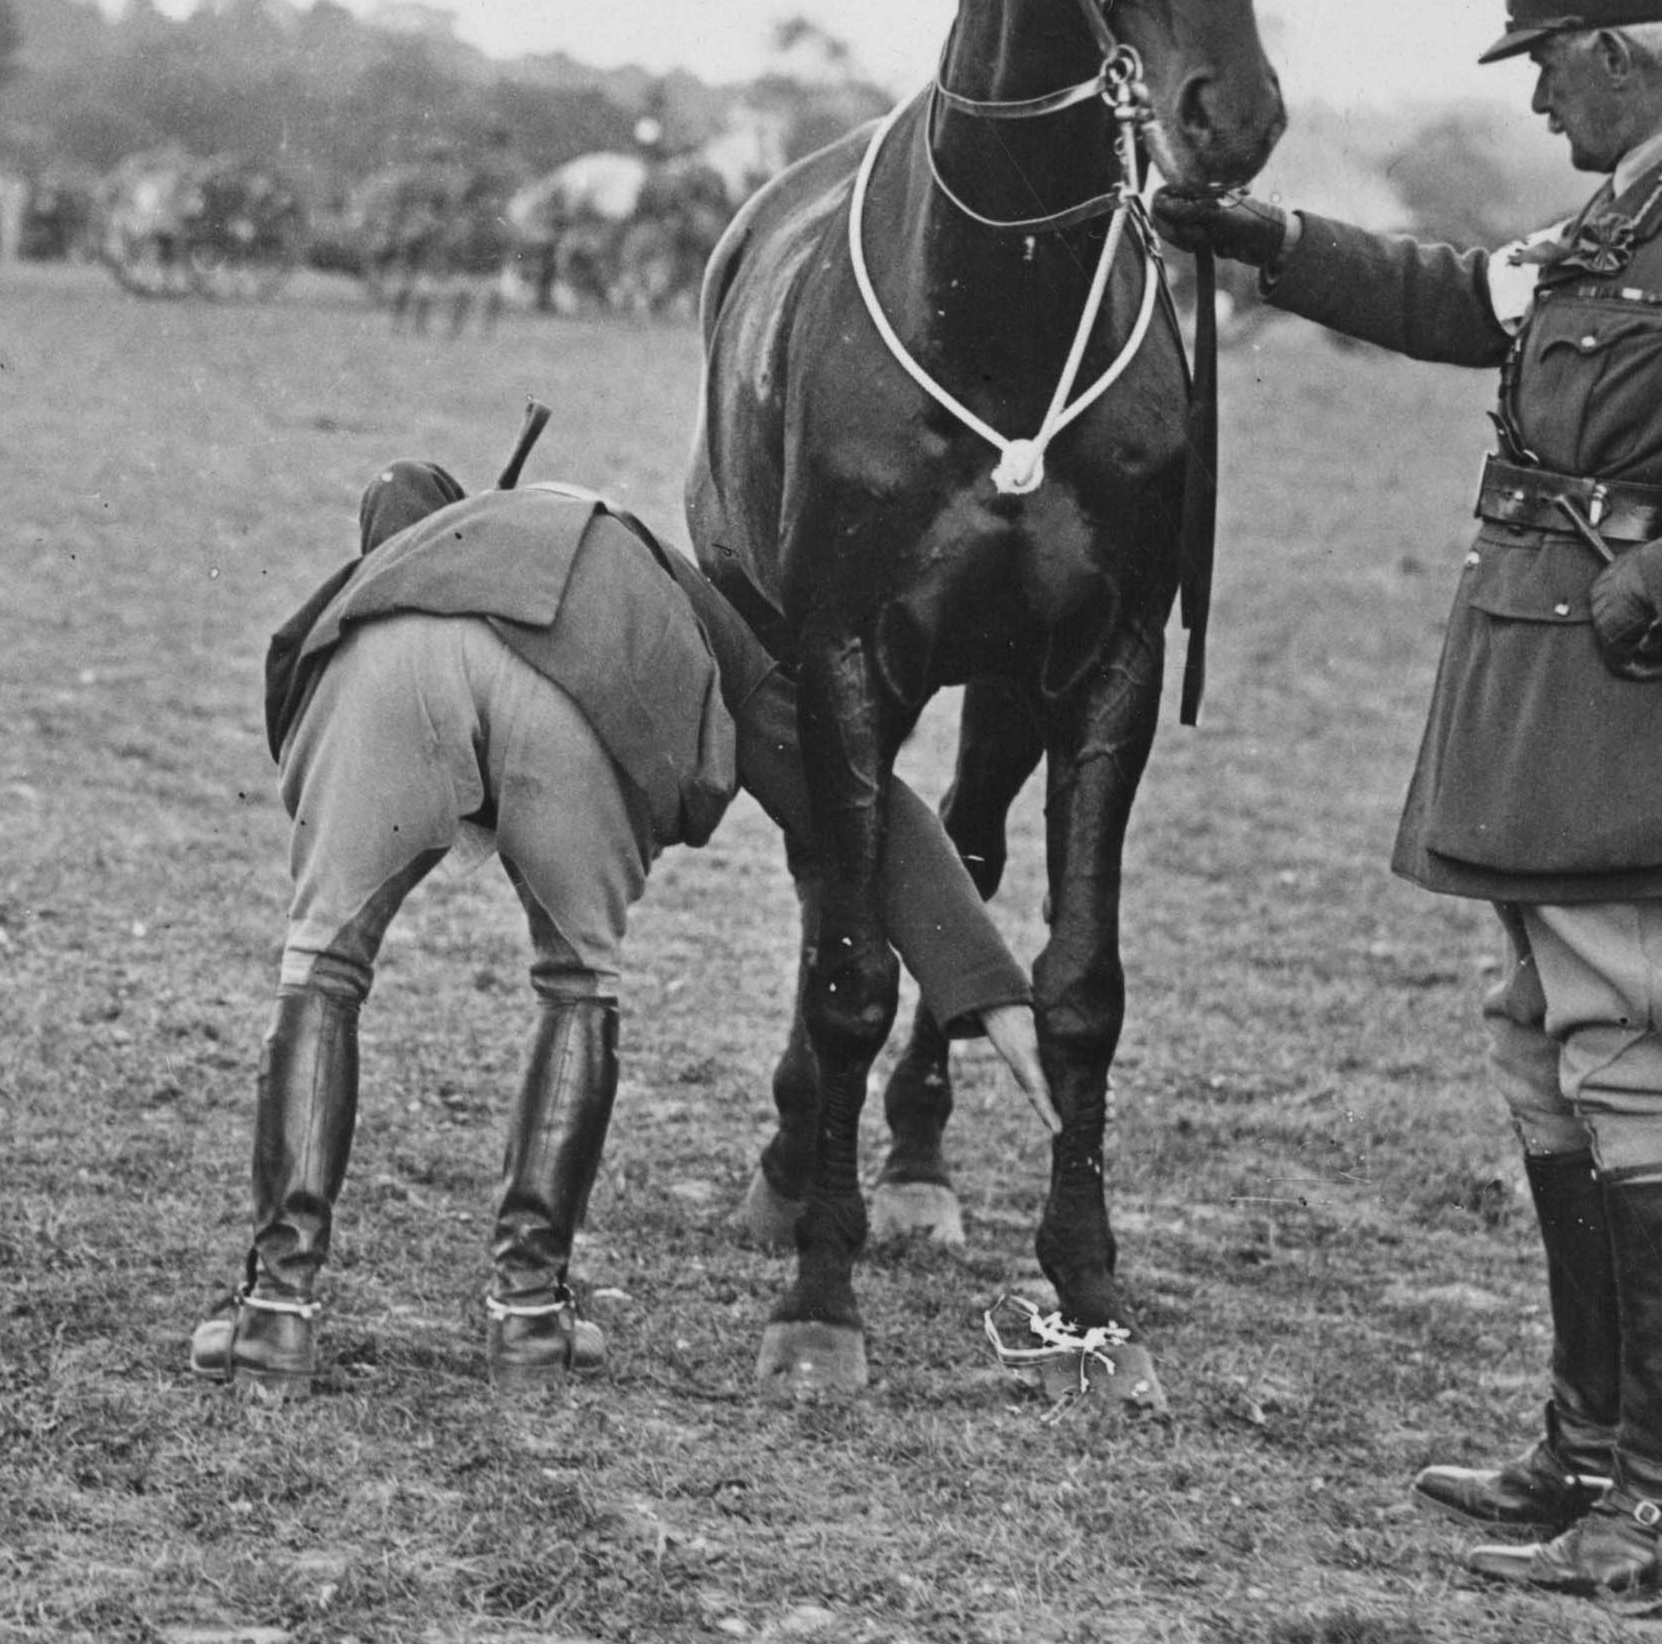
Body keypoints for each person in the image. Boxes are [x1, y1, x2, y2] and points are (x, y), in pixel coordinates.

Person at [1155, 0, 1662, 1601]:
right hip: (1541, 690)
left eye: (1546, 66)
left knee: (1636, 1055)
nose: (1534, 101)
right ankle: (1587, 1448)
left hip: (1620, 698)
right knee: (1547, 1048)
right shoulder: (1629, 208)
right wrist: (1270, 241)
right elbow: (1468, 302)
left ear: (1614, 55)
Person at [192, 454, 1051, 1388]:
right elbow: (834, 781)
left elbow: (301, 667)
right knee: (576, 984)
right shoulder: (633, 549)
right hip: (582, 673)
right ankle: (529, 1316)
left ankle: (274, 1313)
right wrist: (984, 979)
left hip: (388, 664)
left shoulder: (392, 570)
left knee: (322, 970)